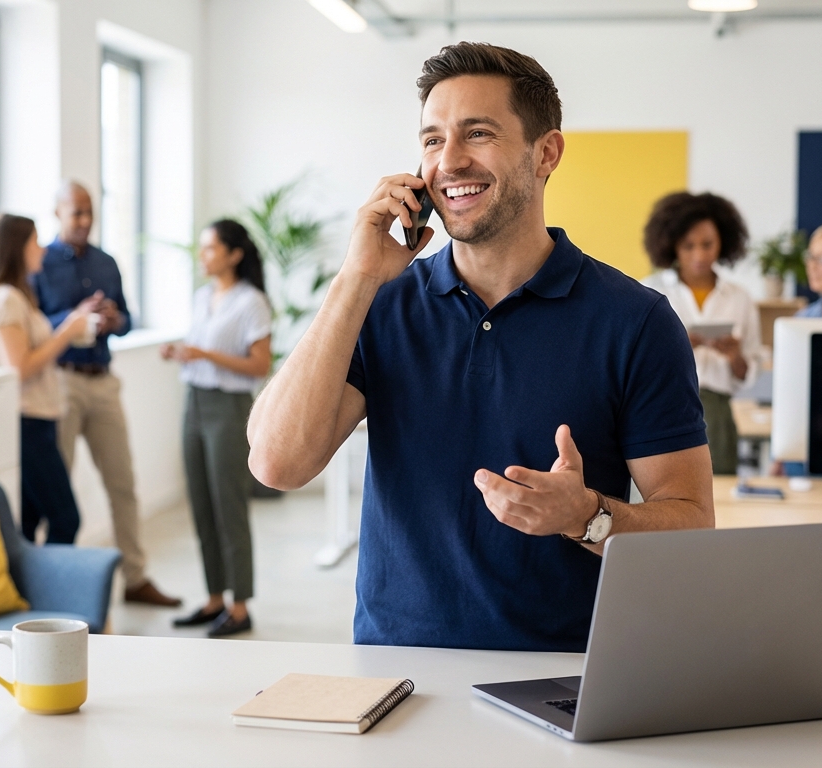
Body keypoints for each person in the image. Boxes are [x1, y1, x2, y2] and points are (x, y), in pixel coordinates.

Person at [246, 42, 715, 653]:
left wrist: (587, 516)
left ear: (546, 152)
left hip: (566, 673)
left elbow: (690, 524)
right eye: (433, 140)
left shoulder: (635, 321)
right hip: (398, 669)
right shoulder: (382, 303)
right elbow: (277, 464)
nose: (450, 162)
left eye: (479, 133)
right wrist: (356, 277)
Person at [32, 181, 181, 607]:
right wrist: (74, 317)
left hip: (103, 380)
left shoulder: (107, 262)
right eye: (75, 213)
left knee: (123, 482)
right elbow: (35, 325)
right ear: (56, 213)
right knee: (57, 490)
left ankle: (135, 578)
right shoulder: (39, 262)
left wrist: (115, 318)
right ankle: (53, 584)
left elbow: (129, 320)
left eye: (88, 212)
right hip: (60, 382)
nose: (83, 221)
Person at [162, 220, 273, 638]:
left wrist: (204, 353)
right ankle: (213, 598)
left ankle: (240, 606)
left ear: (234, 254)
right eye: (202, 248)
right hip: (194, 401)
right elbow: (200, 352)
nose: (202, 255)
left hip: (229, 408)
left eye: (210, 248)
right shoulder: (202, 297)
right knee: (201, 503)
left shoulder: (252, 302)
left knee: (229, 506)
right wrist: (182, 354)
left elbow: (259, 366)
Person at [0, 213, 94, 544]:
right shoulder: (7, 299)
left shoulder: (16, 297)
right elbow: (20, 367)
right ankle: (52, 591)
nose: (42, 249)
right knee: (65, 518)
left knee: (28, 521)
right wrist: (67, 332)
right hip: (27, 421)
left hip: (36, 418)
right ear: (17, 248)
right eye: (35, 241)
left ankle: (32, 593)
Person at [640, 192, 761, 475]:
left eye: (708, 244)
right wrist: (679, 346)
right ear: (672, 246)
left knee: (720, 503)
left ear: (723, 241)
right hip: (662, 410)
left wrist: (734, 355)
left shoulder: (739, 298)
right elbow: (637, 364)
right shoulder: (650, 292)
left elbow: (748, 372)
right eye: (688, 246)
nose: (699, 255)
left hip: (717, 415)